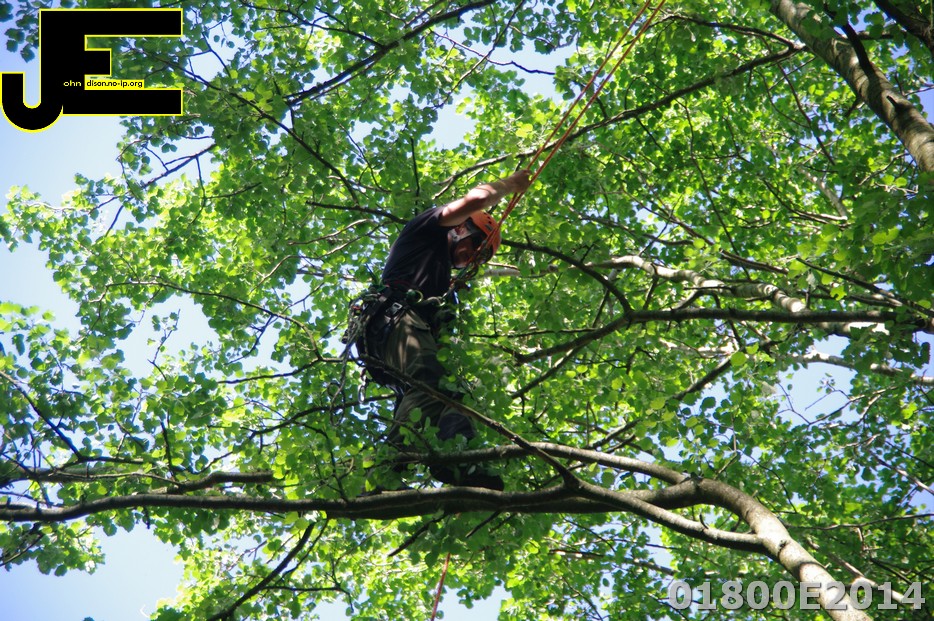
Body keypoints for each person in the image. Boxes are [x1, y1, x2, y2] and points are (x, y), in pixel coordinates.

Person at [357, 169, 532, 491]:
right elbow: (475, 200)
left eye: (480, 258)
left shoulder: (441, 289)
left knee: (452, 393)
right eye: (476, 244)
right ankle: (383, 474)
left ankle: (461, 462)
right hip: (395, 320)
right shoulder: (426, 231)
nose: (471, 257)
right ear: (461, 228)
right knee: (429, 382)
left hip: (399, 337)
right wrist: (511, 184)